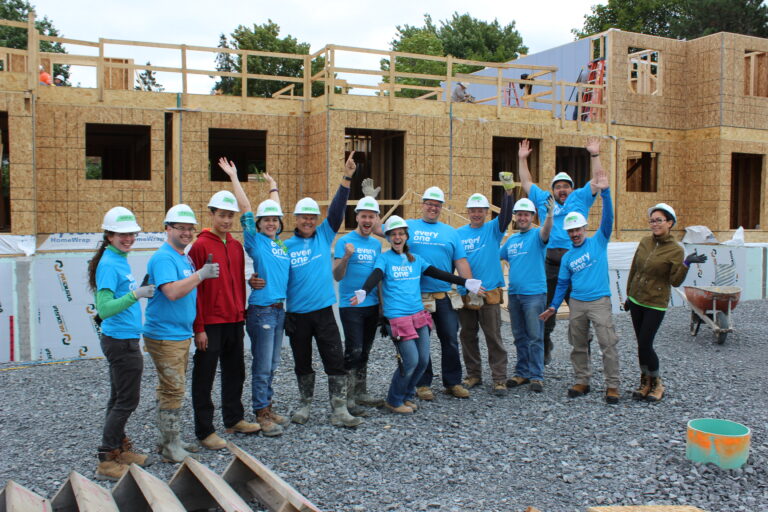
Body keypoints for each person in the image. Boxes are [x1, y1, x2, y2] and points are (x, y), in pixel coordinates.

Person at [350, 216, 483, 414]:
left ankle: (406, 395)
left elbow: (439, 273)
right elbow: (376, 275)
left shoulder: (416, 260)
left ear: (406, 237)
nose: (397, 237)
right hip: (397, 319)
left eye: (401, 234)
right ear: (388, 237)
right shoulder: (385, 258)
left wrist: (466, 282)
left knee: (421, 360)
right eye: (393, 234)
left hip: (418, 315)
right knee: (411, 360)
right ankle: (394, 400)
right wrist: (364, 290)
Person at [284, 151, 362, 428]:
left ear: (317, 220)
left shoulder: (324, 234)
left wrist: (346, 177)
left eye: (312, 217)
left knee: (334, 358)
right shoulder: (285, 247)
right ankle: (305, 404)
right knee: (302, 361)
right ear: (295, 219)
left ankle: (339, 408)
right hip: (296, 315)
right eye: (303, 217)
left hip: (324, 312)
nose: (308, 221)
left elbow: (338, 209)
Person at [539, 150, 619, 404]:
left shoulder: (598, 242)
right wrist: (553, 306)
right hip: (577, 305)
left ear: (585, 227)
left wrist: (605, 192)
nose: (575, 233)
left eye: (578, 229)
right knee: (578, 343)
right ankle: (582, 380)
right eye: (571, 230)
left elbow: (608, 218)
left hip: (598, 302)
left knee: (607, 343)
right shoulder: (569, 258)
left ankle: (612, 385)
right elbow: (562, 283)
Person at [144, 204, 220, 462]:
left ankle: (169, 439)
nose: (187, 233)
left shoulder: (182, 256)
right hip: (165, 335)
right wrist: (201, 275)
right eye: (181, 228)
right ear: (168, 228)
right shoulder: (164, 258)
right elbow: (172, 292)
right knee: (173, 390)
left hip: (177, 334)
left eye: (190, 229)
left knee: (170, 388)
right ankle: (169, 447)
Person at [220, 159, 291, 436]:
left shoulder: (280, 244)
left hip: (278, 310)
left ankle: (267, 406)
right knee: (262, 365)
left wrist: (273, 187)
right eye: (266, 220)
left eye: (275, 219)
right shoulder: (255, 240)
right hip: (261, 310)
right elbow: (247, 208)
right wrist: (234, 177)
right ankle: (260, 412)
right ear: (258, 224)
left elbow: (275, 209)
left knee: (273, 363)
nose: (271, 223)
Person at [519, 137, 602, 364]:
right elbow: (526, 182)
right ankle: (544, 347)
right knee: (546, 310)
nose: (562, 190)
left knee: (579, 311)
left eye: (565, 186)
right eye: (558, 186)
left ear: (571, 189)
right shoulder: (545, 199)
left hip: (576, 265)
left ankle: (584, 351)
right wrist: (522, 159)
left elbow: (597, 180)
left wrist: (594, 155)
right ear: (553, 190)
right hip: (549, 266)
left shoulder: (580, 198)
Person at [188, 189, 261, 451]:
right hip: (210, 323)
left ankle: (233, 419)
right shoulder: (199, 246)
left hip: (233, 319)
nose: (227, 220)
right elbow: (194, 289)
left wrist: (243, 306)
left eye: (230, 216)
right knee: (204, 376)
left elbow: (235, 282)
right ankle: (205, 430)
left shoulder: (236, 246)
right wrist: (199, 328)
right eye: (222, 215)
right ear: (211, 214)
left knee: (235, 372)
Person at [88, 207, 155, 481]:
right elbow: (103, 308)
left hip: (123, 338)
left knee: (118, 398)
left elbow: (115, 297)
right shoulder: (109, 264)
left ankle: (116, 447)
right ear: (109, 235)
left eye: (131, 233)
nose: (128, 238)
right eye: (122, 234)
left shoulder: (117, 259)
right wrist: (136, 295)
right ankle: (106, 458)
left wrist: (133, 291)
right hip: (120, 341)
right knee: (127, 400)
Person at [625, 203, 707, 402]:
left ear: (670, 223)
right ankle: (645, 382)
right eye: (652, 220)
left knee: (646, 344)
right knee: (640, 345)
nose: (655, 224)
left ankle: (657, 382)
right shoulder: (645, 242)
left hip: (655, 302)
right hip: (637, 300)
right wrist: (628, 294)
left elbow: (675, 280)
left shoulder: (675, 250)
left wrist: (686, 263)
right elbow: (634, 268)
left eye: (659, 220)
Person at [407, 186, 474, 400]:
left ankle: (452, 382)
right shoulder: (408, 227)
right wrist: (371, 200)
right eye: (429, 204)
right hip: (417, 297)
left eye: (437, 205)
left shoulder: (450, 232)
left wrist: (470, 286)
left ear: (441, 208)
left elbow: (461, 261)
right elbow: (380, 230)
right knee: (421, 341)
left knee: (450, 340)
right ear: (422, 204)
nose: (432, 208)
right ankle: (423, 383)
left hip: (443, 296)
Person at [456, 187, 514, 396]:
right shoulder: (459, 234)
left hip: (489, 292)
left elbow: (506, 216)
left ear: (487, 212)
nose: (476, 213)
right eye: (473, 210)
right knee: (468, 336)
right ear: (468, 212)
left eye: (481, 210)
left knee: (493, 336)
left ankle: (499, 379)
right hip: (466, 292)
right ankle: (473, 375)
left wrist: (507, 194)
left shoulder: (493, 229)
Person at [333, 196, 384, 415]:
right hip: (350, 305)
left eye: (371, 216)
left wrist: (382, 306)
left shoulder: (376, 244)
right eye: (363, 216)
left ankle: (361, 392)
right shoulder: (345, 241)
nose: (367, 220)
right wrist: (346, 257)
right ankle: (348, 398)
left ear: (376, 219)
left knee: (365, 350)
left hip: (371, 305)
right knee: (353, 350)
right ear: (357, 217)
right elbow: (337, 275)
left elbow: (378, 276)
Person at [500, 196, 554, 393]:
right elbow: (498, 256)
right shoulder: (512, 240)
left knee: (535, 336)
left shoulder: (538, 235)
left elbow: (547, 230)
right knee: (519, 336)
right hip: (514, 294)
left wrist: (549, 215)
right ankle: (522, 372)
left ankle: (537, 375)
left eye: (526, 214)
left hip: (534, 295)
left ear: (532, 216)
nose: (522, 218)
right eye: (519, 214)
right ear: (515, 217)